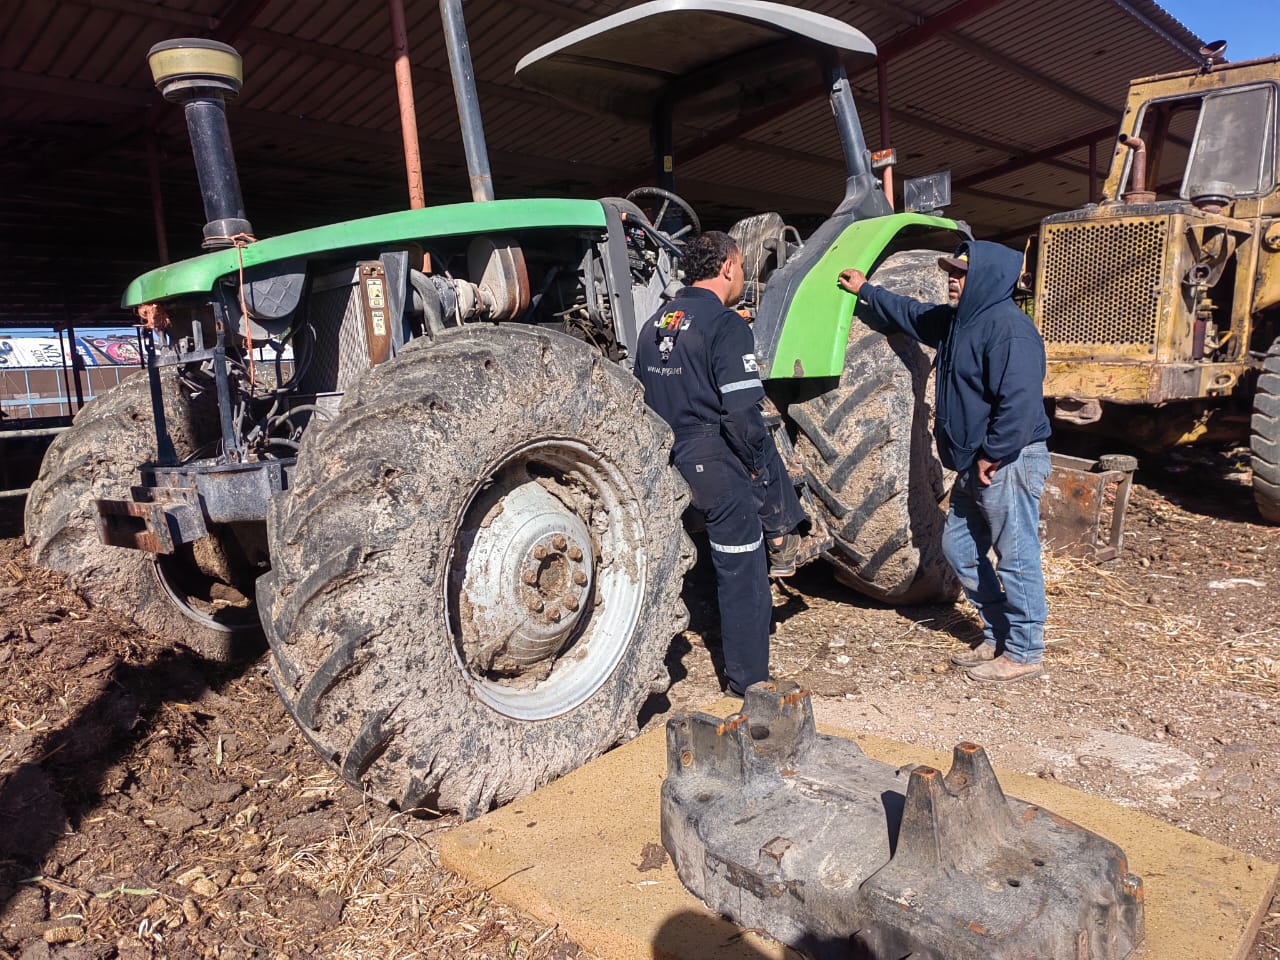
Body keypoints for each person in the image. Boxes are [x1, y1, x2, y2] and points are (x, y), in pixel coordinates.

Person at [837, 240, 1053, 684]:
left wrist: (993, 453)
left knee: (1014, 555)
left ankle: (1026, 651)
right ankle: (997, 635)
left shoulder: (1010, 330)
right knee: (959, 548)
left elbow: (1020, 404)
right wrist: (866, 291)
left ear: (989, 278)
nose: (952, 279)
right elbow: (912, 313)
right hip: (975, 462)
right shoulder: (957, 322)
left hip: (1008, 459)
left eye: (961, 273)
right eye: (951, 272)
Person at [635, 231, 805, 695]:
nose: (743, 276)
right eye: (743, 268)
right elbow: (742, 416)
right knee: (743, 572)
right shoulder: (727, 325)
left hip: (665, 461)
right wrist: (758, 472)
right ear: (728, 267)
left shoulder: (654, 323)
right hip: (713, 462)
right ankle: (748, 683)